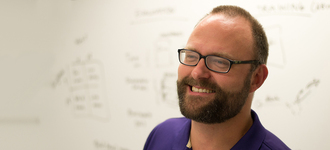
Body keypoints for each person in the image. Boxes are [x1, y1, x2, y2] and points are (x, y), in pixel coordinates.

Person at [144, 5, 290, 150]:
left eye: (219, 61)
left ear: (256, 78)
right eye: (191, 56)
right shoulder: (161, 135)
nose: (197, 73)